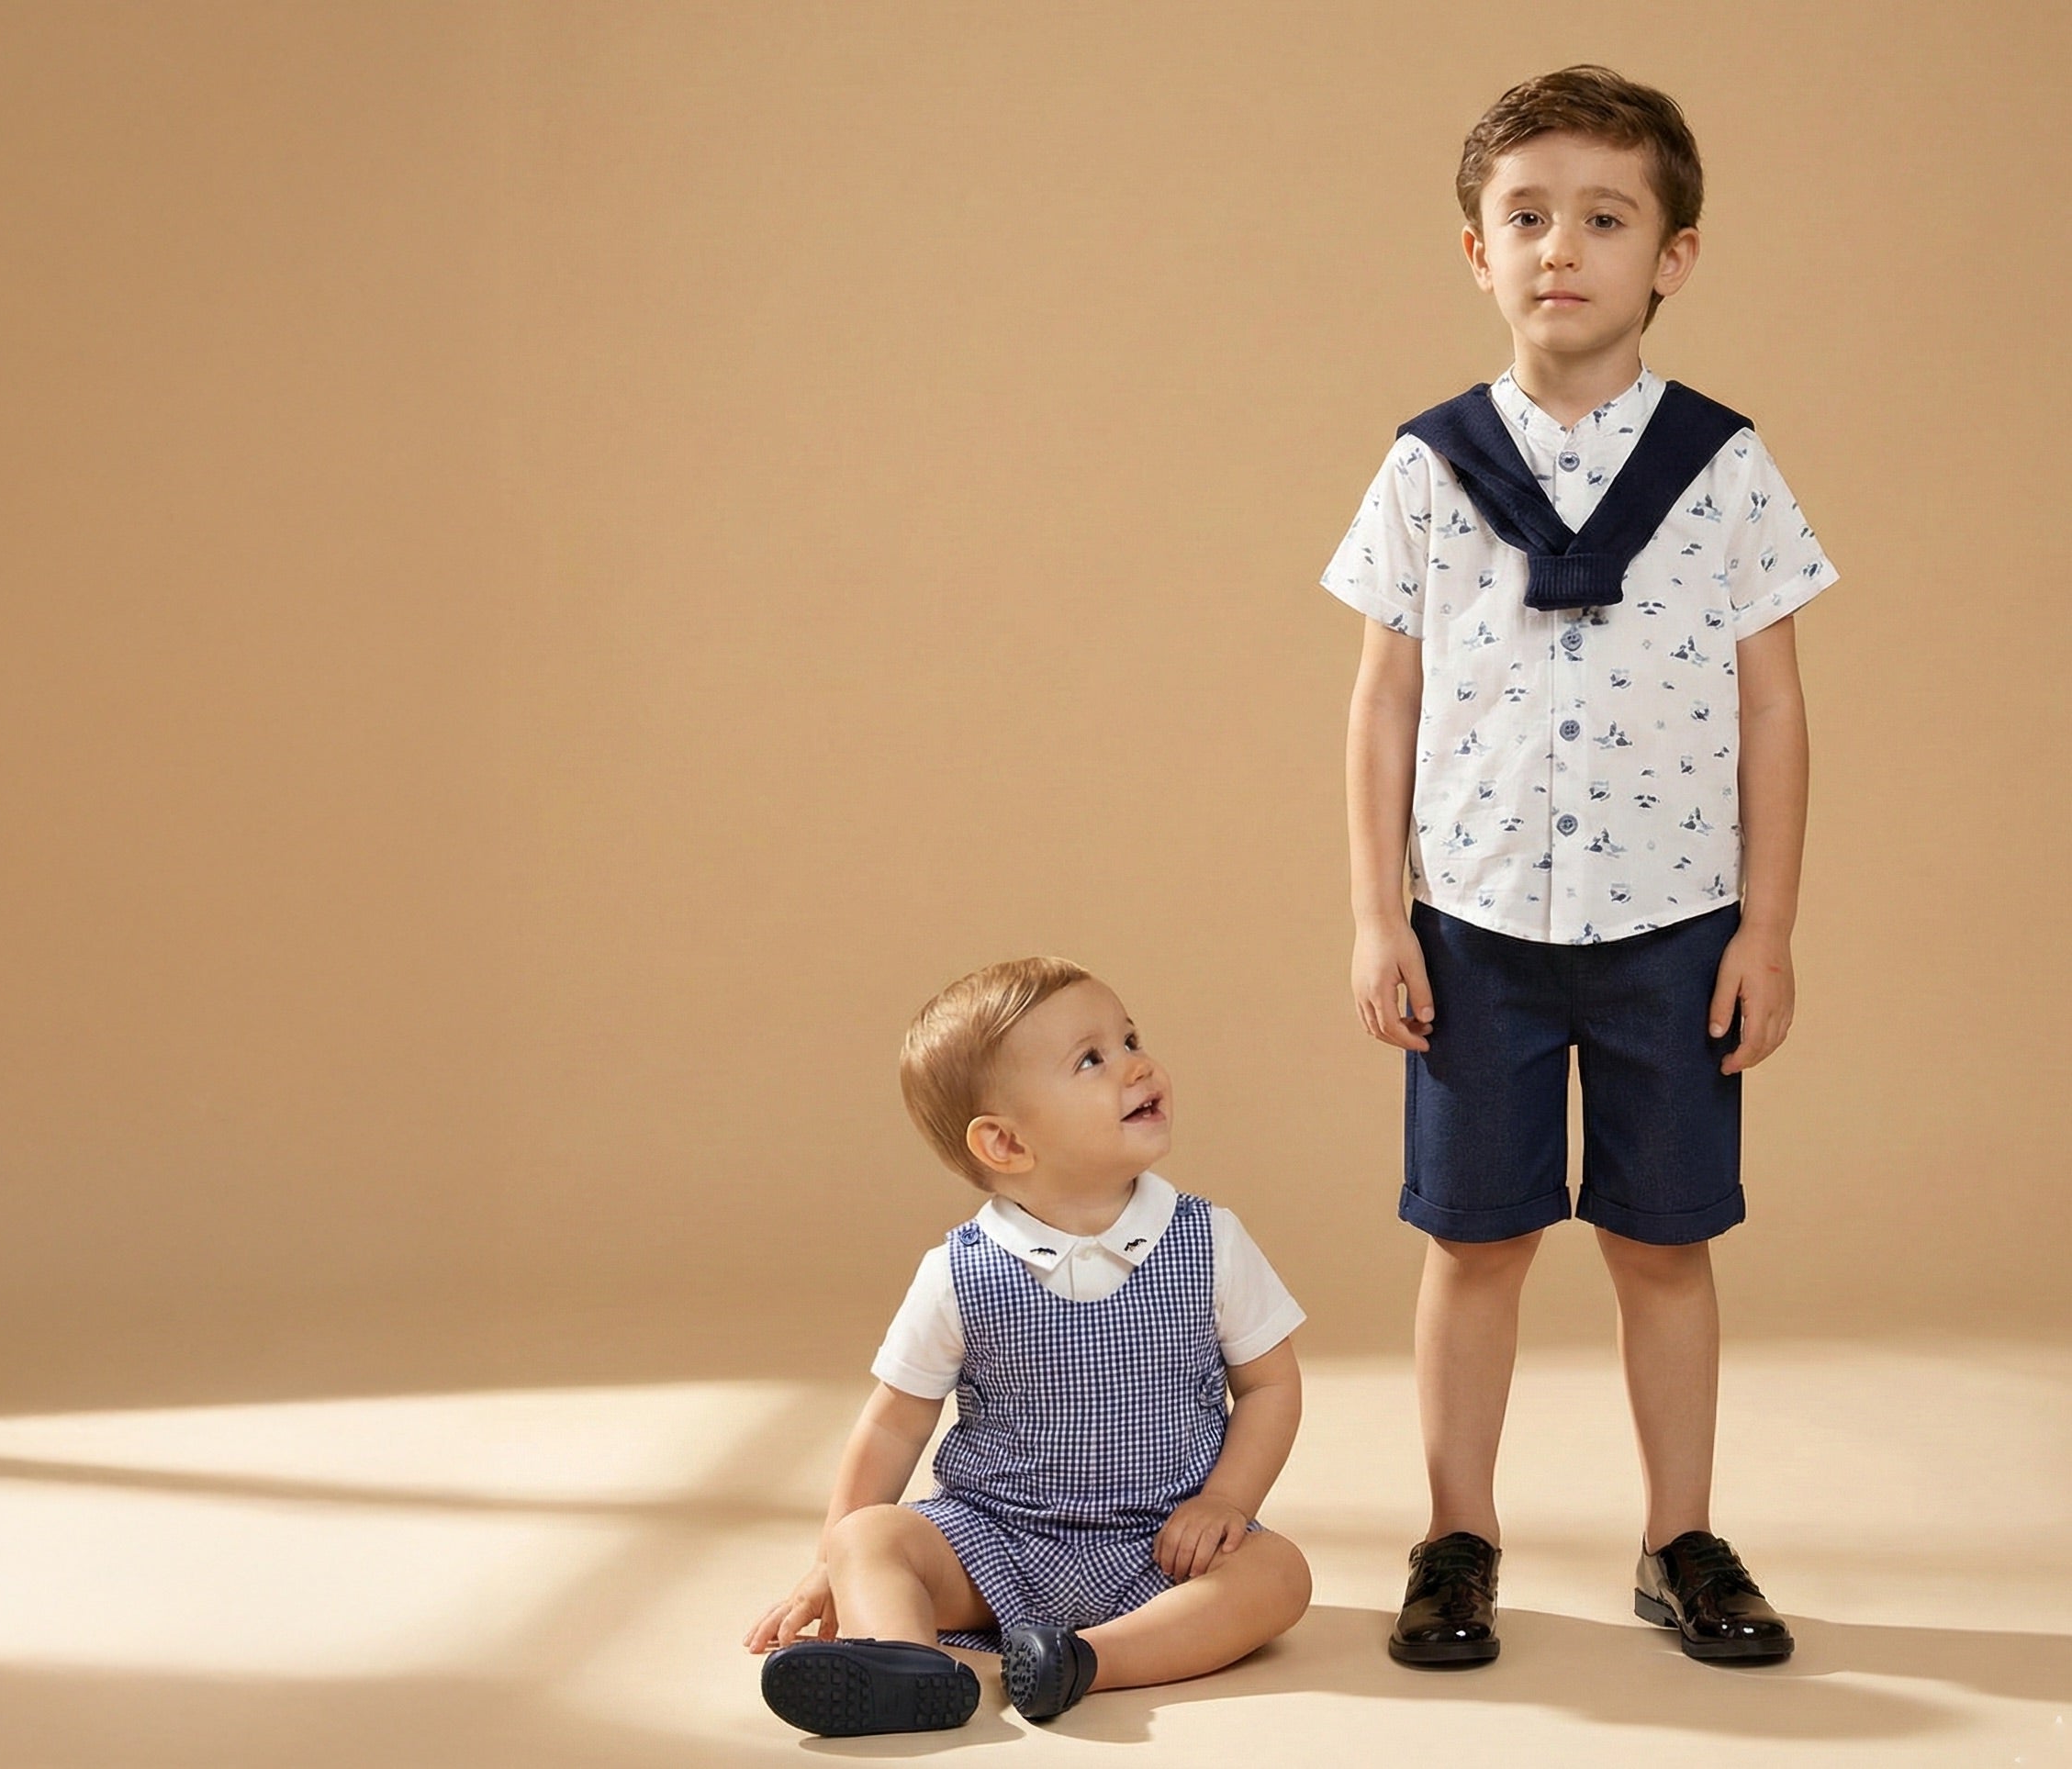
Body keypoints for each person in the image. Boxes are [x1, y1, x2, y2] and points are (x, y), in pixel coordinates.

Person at [1324, 65, 1831, 1666]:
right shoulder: (1423, 466)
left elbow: (1770, 703)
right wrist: (1371, 914)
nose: (1560, 246)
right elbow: (1381, 698)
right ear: (1471, 251)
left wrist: (1765, 927)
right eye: (1522, 216)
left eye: (1602, 218)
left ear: (1670, 255)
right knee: (1468, 1241)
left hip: (1671, 928)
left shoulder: (1723, 466)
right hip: (1471, 928)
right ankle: (1451, 1535)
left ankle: (1677, 1537)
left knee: (1660, 1240)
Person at [741, 957, 1311, 1735]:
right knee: (868, 1535)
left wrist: (1225, 1502)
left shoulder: (1208, 1238)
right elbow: (894, 1422)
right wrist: (830, 1562)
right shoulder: (958, 1271)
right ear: (1005, 1142)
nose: (1138, 1064)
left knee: (1278, 1577)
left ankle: (1082, 1659)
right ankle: (904, 1662)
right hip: (994, 1537)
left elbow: (1271, 1385)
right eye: (1092, 1058)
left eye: (1131, 1037)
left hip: (1161, 1543)